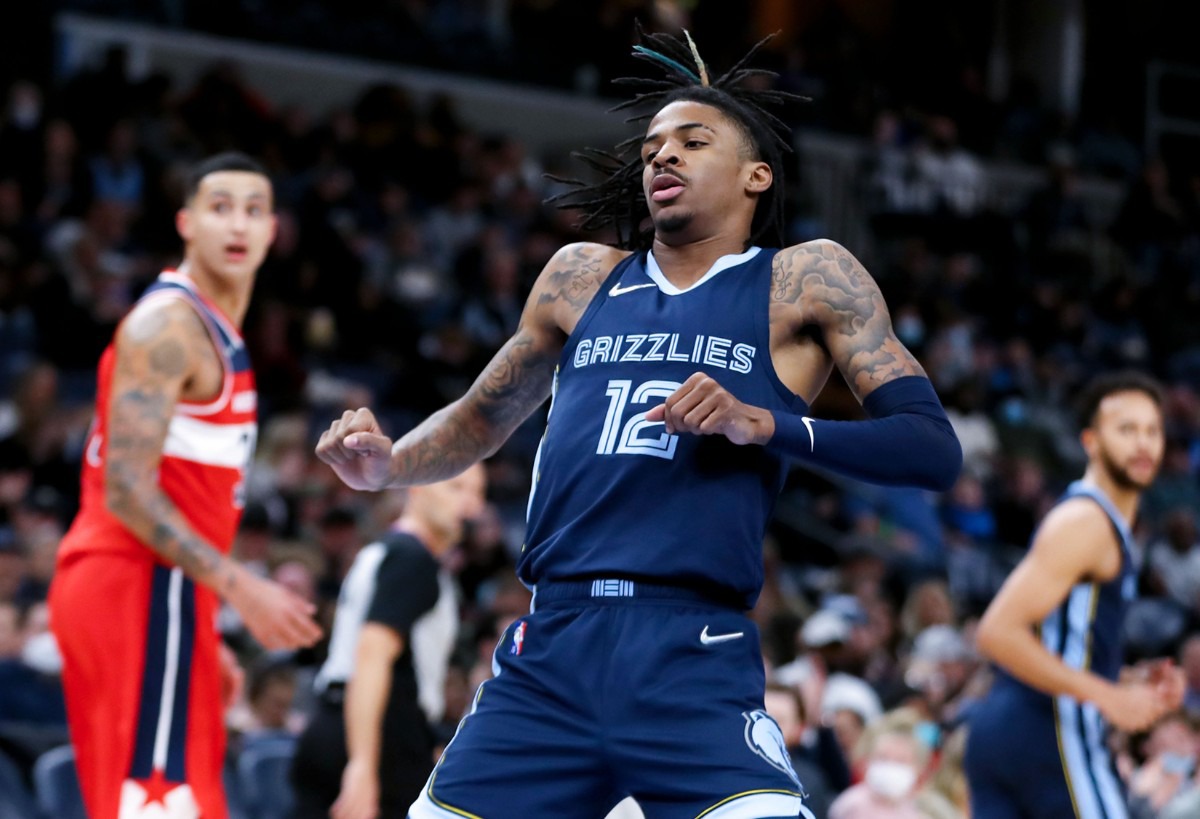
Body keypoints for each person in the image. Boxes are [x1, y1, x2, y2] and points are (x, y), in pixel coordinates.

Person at [316, 28, 961, 819]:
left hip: (691, 650)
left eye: (694, 141)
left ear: (757, 175)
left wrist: (768, 425)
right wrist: (389, 465)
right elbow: (484, 415)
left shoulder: (804, 279)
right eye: (654, 145)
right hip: (553, 644)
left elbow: (931, 447)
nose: (664, 157)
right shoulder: (579, 275)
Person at [48, 152, 323, 819]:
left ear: (272, 230)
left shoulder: (219, 330)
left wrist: (204, 624)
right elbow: (127, 490)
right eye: (219, 206)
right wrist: (239, 584)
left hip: (173, 598)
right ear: (185, 222)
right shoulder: (166, 327)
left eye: (253, 209)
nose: (237, 223)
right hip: (131, 583)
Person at [964, 370, 1186, 819]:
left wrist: (1126, 681)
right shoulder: (1086, 522)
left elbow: (1058, 645)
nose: (1143, 443)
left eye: (1152, 431)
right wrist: (1109, 698)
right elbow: (997, 633)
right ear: (1091, 441)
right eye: (1126, 430)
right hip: (1051, 731)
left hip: (1009, 729)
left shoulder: (1098, 521)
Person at [291, 464, 487, 819]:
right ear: (417, 488)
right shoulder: (413, 559)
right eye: (456, 488)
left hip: (342, 725)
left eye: (477, 492)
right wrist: (363, 764)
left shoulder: (389, 550)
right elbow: (372, 655)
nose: (470, 506)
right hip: (376, 735)